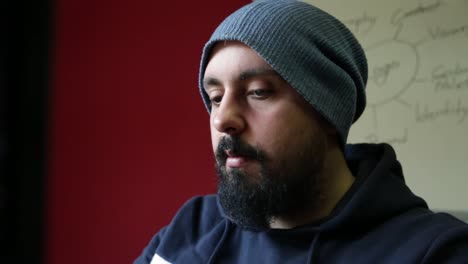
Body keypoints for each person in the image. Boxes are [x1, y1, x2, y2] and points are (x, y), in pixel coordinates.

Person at [135, 0, 468, 263]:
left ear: (326, 108)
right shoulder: (192, 228)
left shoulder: (436, 251)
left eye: (258, 92)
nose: (223, 119)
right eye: (216, 97)